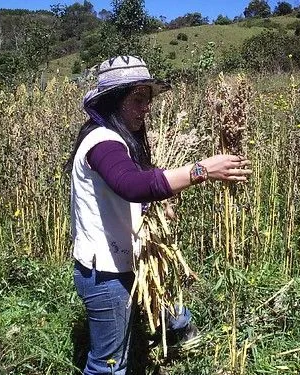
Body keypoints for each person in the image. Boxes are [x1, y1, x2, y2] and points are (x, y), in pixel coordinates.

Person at [67, 55, 251, 375]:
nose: (146, 107)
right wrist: (201, 170)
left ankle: (183, 335)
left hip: (128, 259)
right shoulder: (102, 141)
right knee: (108, 366)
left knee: (163, 298)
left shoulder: (121, 139)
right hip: (106, 274)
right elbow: (131, 185)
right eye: (137, 99)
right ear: (113, 101)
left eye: (148, 99)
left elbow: (135, 185)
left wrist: (156, 205)